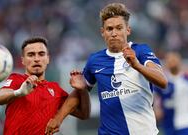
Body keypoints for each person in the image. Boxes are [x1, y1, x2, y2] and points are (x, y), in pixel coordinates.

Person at [45, 3, 168, 135]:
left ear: (128, 30)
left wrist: (137, 65)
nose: (114, 33)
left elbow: (162, 81)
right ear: (103, 32)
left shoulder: (141, 51)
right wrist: (58, 118)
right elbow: (78, 93)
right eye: (109, 29)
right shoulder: (95, 60)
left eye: (119, 28)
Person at [0, 37, 90, 135]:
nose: (36, 59)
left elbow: (83, 114)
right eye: (31, 55)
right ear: (23, 60)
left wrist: (83, 89)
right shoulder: (17, 79)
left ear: (48, 59)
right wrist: (19, 92)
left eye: (41, 54)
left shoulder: (55, 89)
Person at [153, 52, 188, 135]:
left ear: (179, 61)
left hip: (185, 122)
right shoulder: (163, 81)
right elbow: (155, 97)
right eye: (169, 61)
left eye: (174, 60)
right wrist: (157, 108)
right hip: (168, 124)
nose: (172, 63)